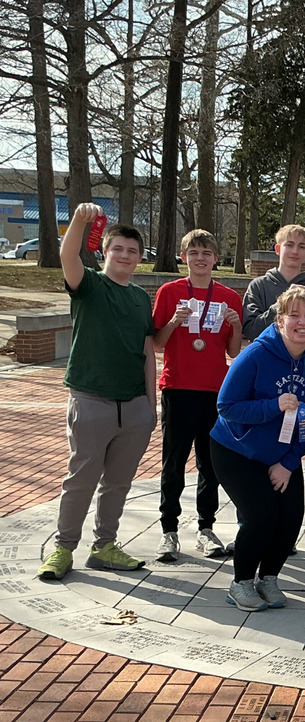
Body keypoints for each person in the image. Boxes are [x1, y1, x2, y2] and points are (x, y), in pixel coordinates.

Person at [37, 203, 155, 580]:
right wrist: (79, 221)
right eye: (118, 248)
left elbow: (147, 350)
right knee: (81, 480)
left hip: (133, 404)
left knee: (119, 482)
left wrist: (150, 406)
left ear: (139, 258)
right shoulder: (88, 284)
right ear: (105, 251)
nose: (125, 255)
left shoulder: (140, 298)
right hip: (91, 399)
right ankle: (63, 548)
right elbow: (66, 254)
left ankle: (104, 544)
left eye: (132, 250)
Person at [210, 286, 305, 611]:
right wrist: (272, 406)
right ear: (280, 320)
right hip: (236, 450)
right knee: (261, 517)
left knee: (291, 518)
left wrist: (289, 462)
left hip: (282, 455)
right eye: (295, 315)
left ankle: (269, 578)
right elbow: (226, 405)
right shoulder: (256, 354)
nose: (302, 322)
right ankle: (241, 583)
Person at [152, 229, 243, 562]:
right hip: (177, 387)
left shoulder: (230, 297)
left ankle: (206, 527)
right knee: (173, 462)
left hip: (215, 391)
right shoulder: (169, 292)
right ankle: (168, 531)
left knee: (211, 464)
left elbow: (233, 353)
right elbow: (157, 343)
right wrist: (175, 322)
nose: (200, 258)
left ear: (216, 258)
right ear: (183, 257)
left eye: (206, 253)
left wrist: (235, 327)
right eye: (193, 252)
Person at [242, 224, 305, 353]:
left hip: (301, 365)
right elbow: (251, 330)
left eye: (301, 246)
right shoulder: (258, 286)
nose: (295, 251)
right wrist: (280, 305)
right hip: (266, 361)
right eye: (289, 245)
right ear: (277, 249)